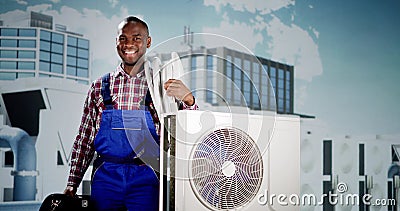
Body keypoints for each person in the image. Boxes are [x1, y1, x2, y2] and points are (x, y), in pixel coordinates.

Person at [63, 16, 198, 210]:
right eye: (123, 38)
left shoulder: (163, 84)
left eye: (136, 38)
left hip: (147, 177)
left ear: (148, 42)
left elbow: (188, 128)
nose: (129, 44)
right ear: (116, 42)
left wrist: (189, 100)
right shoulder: (100, 87)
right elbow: (85, 139)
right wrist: (72, 183)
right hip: (106, 178)